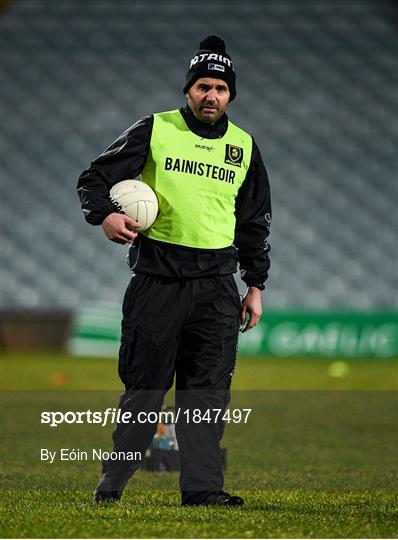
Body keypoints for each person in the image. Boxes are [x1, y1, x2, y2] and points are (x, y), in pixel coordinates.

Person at [77, 35, 271, 507]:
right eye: (203, 86)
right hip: (157, 284)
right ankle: (114, 482)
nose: (212, 96)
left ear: (230, 96)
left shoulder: (244, 147)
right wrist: (104, 215)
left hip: (216, 289)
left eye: (221, 89)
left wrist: (255, 284)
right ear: (188, 90)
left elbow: (253, 222)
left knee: (208, 395)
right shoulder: (154, 129)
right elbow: (93, 178)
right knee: (144, 388)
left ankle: (202, 489)